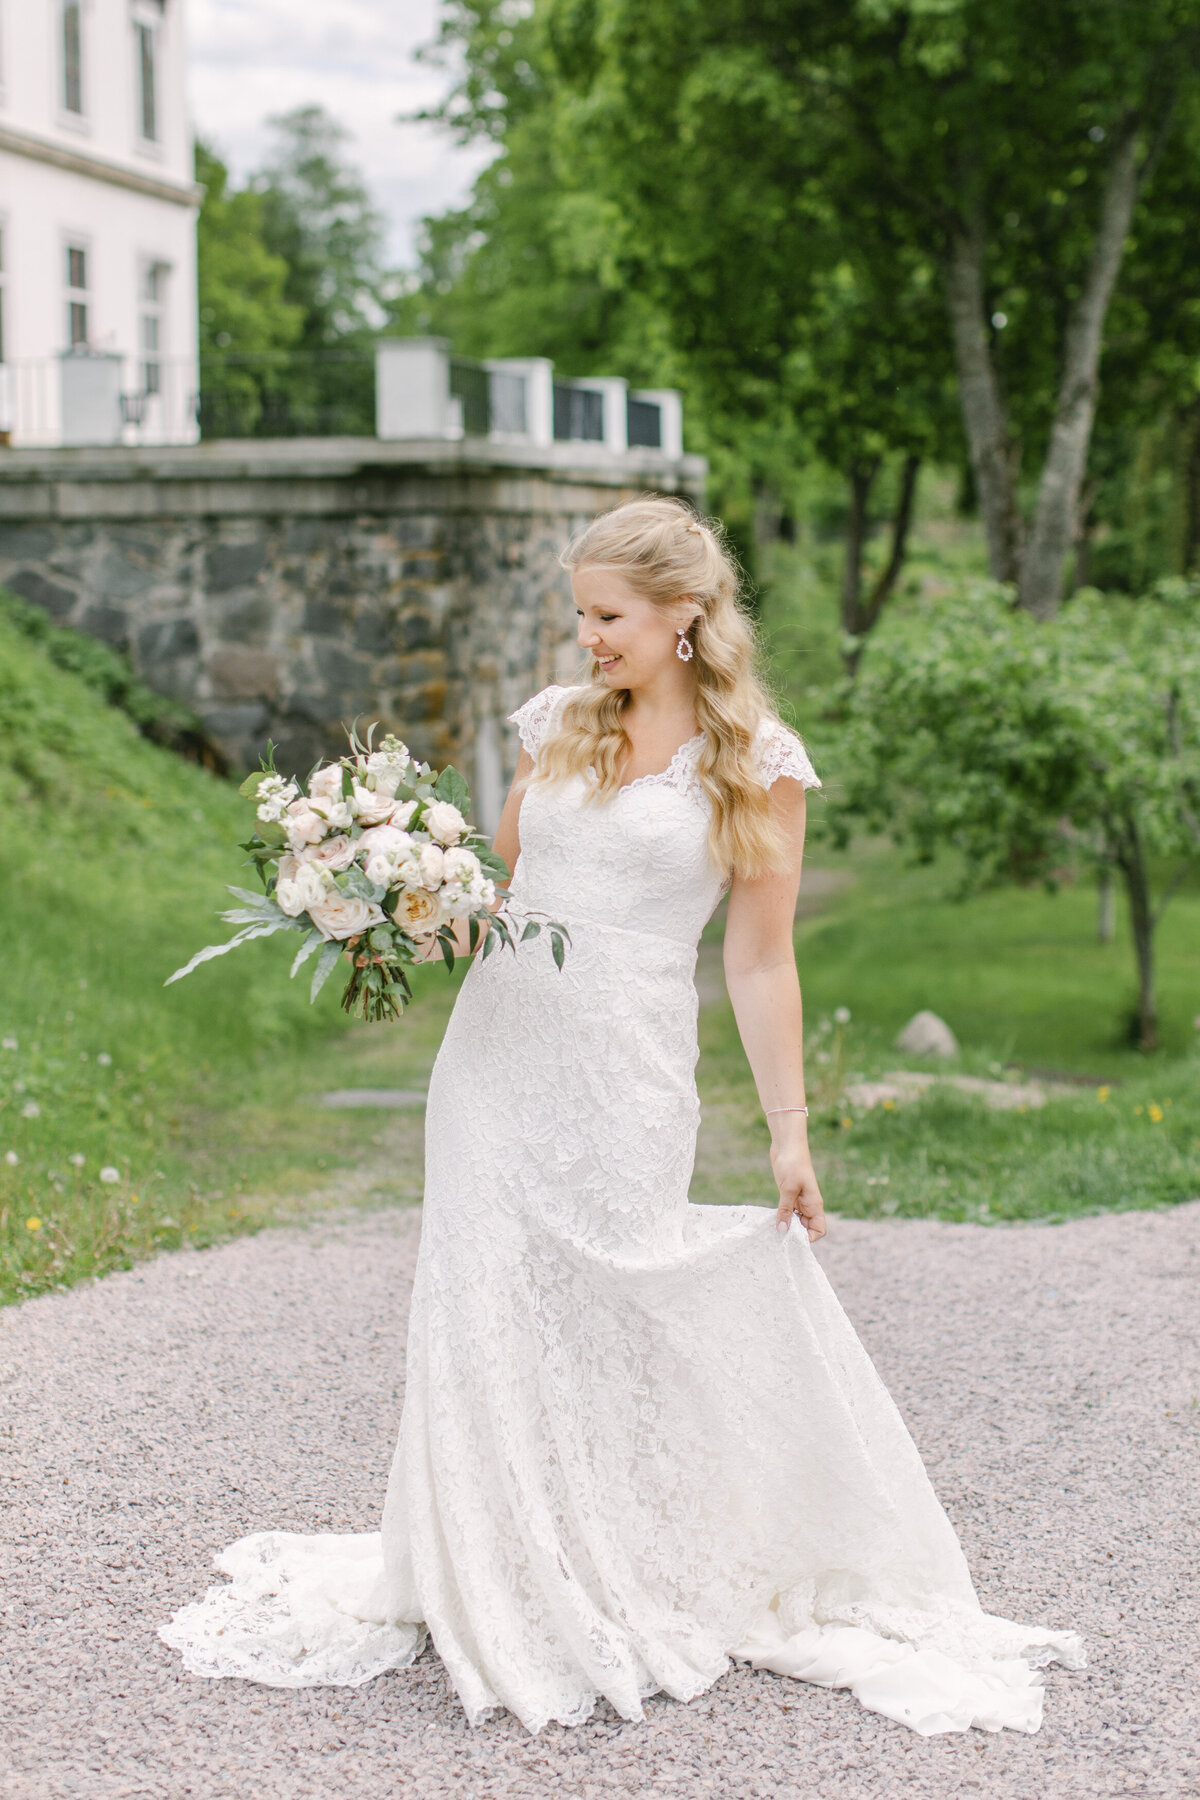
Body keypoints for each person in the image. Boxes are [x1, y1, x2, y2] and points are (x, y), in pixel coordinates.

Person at [159, 496, 1084, 1736]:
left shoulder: (757, 764)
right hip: (493, 1062)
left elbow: (760, 964)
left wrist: (789, 1130)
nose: (585, 639)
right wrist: (382, 884)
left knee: (611, 1295)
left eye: (606, 617)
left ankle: (611, 1563)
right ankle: (490, 1567)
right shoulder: (554, 727)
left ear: (683, 616)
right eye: (579, 615)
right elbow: (491, 890)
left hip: (626, 1072)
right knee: (484, 1299)